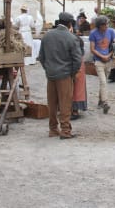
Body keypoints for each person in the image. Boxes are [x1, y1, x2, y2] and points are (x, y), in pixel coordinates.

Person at [38, 12, 82, 140]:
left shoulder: (47, 36)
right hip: (65, 75)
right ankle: (65, 130)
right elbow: (77, 60)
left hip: (51, 75)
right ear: (70, 24)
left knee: (52, 103)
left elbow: (41, 57)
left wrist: (48, 69)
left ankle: (53, 129)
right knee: (65, 103)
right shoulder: (71, 38)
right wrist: (72, 73)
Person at [89, 15, 115, 114]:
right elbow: (92, 49)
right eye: (104, 24)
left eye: (107, 24)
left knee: (104, 81)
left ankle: (100, 101)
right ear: (99, 26)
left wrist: (109, 55)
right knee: (103, 82)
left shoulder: (111, 32)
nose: (106, 26)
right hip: (98, 61)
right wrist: (101, 56)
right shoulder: (93, 33)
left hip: (108, 60)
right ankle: (105, 103)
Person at [70, 19, 87, 120]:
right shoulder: (73, 38)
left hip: (77, 65)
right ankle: (72, 109)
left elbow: (79, 54)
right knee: (74, 89)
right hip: (76, 64)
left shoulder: (75, 39)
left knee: (77, 89)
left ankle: (75, 110)